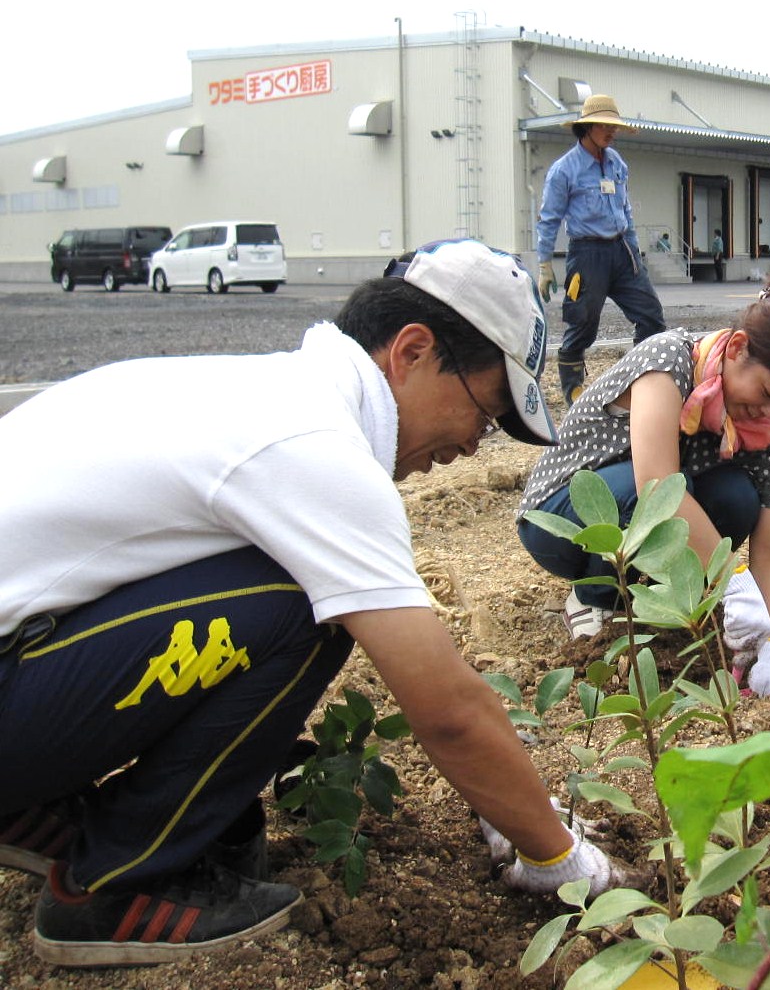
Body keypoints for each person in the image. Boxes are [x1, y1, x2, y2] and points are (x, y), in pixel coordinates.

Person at [0, 240, 637, 968]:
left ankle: (31, 803)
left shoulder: (249, 392)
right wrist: (555, 852)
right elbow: (449, 711)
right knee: (299, 607)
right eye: (484, 413)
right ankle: (113, 886)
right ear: (413, 350)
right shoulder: (314, 444)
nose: (471, 444)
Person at [516, 283, 770, 697]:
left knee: (739, 498)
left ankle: (651, 598)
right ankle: (594, 596)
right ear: (738, 348)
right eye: (768, 393)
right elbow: (654, 483)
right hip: (561, 516)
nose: (769, 413)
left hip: (641, 507)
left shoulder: (769, 429)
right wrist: (734, 581)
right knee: (669, 489)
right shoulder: (669, 359)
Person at [536, 94, 667, 405]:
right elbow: (549, 218)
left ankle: (641, 382)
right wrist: (544, 264)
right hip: (587, 254)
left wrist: (635, 255)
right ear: (588, 127)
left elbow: (626, 211)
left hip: (622, 251)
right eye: (606, 126)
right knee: (582, 321)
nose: (612, 132)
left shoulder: (617, 163)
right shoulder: (564, 170)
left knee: (651, 317)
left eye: (615, 127)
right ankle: (573, 390)